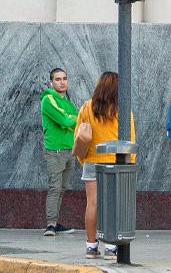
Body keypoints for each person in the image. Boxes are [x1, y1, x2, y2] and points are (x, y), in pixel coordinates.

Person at [76, 71, 135, 260]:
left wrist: (82, 159)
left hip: (92, 160)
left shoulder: (87, 107)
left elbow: (79, 134)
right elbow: (130, 137)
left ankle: (91, 246)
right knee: (113, 205)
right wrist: (130, 162)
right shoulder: (122, 109)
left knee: (92, 204)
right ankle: (111, 246)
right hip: (115, 162)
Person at [39, 67, 78, 236]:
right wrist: (73, 120)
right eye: (58, 79)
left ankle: (55, 222)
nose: (62, 82)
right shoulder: (48, 99)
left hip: (70, 150)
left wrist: (73, 120)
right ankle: (50, 225)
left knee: (62, 188)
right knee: (55, 188)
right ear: (51, 82)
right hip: (55, 150)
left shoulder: (68, 103)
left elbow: (77, 121)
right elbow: (64, 120)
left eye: (64, 78)